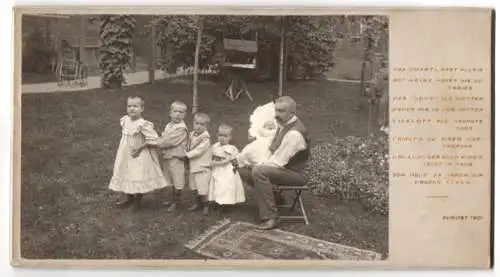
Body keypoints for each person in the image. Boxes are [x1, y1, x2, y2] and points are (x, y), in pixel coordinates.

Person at [238, 96, 310, 230]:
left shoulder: (294, 134)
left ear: (292, 113)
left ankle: (271, 216)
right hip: (284, 166)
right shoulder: (284, 123)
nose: (276, 115)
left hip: (296, 173)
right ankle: (275, 196)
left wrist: (257, 164)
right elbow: (274, 147)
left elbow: (278, 162)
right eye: (276, 110)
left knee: (258, 171)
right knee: (241, 167)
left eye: (281, 111)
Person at [109, 96, 170, 211]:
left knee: (137, 174)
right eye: (129, 106)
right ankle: (129, 198)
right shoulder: (125, 120)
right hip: (125, 153)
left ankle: (137, 201)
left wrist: (140, 148)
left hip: (139, 154)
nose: (132, 109)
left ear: (142, 109)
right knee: (126, 172)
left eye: (135, 106)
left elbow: (154, 139)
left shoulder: (143, 124)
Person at [153, 100, 189, 212]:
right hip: (168, 156)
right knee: (170, 177)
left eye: (181, 112)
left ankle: (176, 201)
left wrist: (156, 142)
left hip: (177, 157)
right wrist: (161, 140)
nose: (178, 114)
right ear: (170, 113)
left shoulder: (181, 128)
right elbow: (164, 136)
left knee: (177, 178)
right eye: (175, 111)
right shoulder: (169, 125)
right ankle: (173, 199)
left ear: (185, 115)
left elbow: (169, 142)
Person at [208, 124, 246, 208]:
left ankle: (227, 203)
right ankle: (218, 201)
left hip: (226, 170)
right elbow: (211, 154)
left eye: (225, 136)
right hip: (218, 169)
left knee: (225, 185)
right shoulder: (216, 145)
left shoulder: (229, 148)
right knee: (217, 184)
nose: (222, 138)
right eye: (220, 135)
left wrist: (214, 163)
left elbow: (226, 161)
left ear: (230, 137)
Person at [185, 113, 212, 215]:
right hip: (194, 165)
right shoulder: (191, 134)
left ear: (206, 126)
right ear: (193, 123)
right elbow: (188, 144)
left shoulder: (205, 138)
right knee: (194, 186)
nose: (199, 126)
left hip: (202, 166)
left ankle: (205, 205)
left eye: (202, 124)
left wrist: (187, 155)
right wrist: (186, 150)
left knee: (202, 187)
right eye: (197, 123)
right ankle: (197, 203)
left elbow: (199, 150)